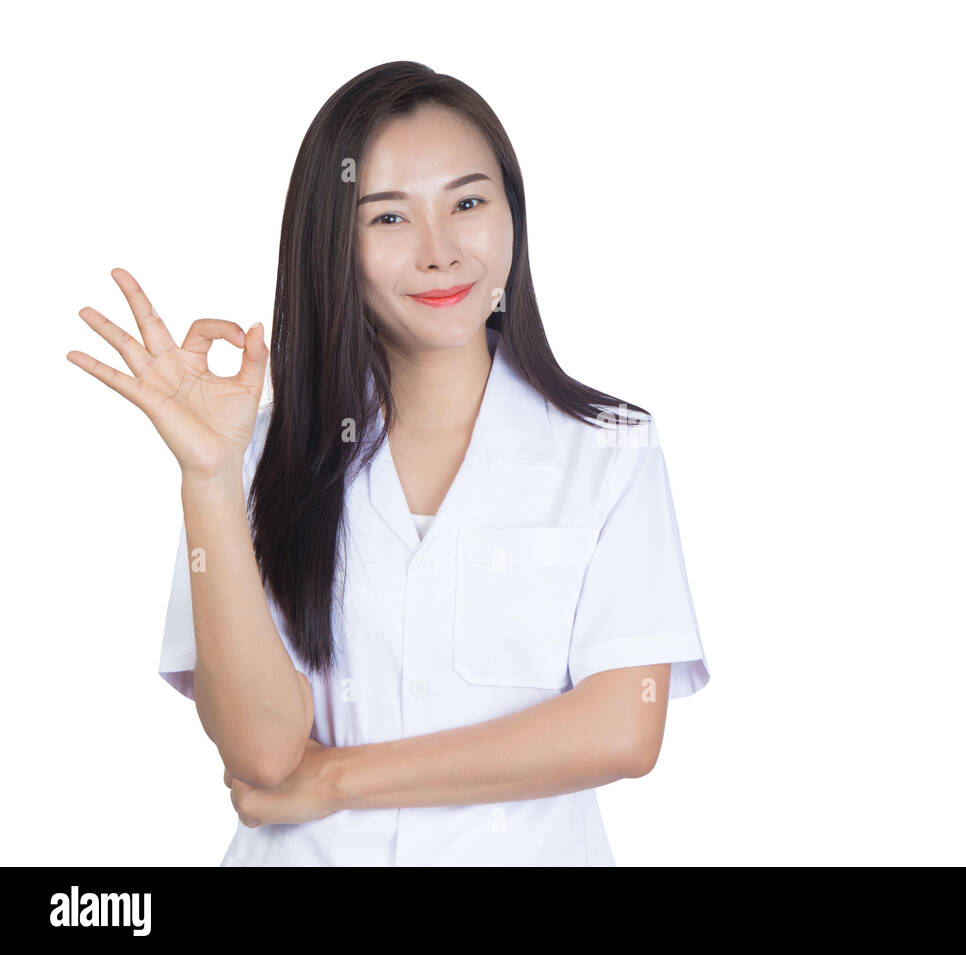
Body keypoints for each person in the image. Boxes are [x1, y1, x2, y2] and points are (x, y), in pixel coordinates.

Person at [66, 61, 710, 866]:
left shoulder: (609, 448)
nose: (440, 253)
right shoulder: (261, 455)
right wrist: (208, 478)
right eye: (388, 219)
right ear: (332, 242)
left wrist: (336, 780)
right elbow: (262, 758)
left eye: (468, 203)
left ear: (512, 213)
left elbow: (622, 730)